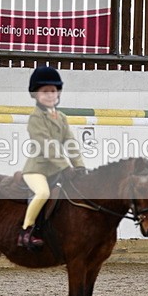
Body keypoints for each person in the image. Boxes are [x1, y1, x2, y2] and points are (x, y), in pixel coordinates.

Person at [17, 66, 85, 251]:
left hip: (57, 170)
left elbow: (70, 142)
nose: (49, 95)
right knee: (43, 193)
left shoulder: (61, 117)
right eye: (44, 91)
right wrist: (65, 167)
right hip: (37, 170)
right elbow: (46, 145)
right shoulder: (35, 118)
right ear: (35, 94)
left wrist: (79, 165)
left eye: (53, 91)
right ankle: (26, 231)